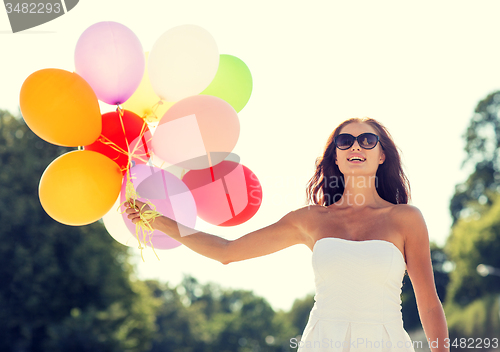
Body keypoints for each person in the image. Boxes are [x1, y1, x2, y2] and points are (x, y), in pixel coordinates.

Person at [126, 117, 449, 352]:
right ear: (335, 156)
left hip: (385, 342)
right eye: (344, 140)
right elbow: (227, 251)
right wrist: (160, 222)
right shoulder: (309, 220)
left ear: (382, 155)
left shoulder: (406, 219)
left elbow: (429, 304)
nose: (355, 146)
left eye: (367, 140)